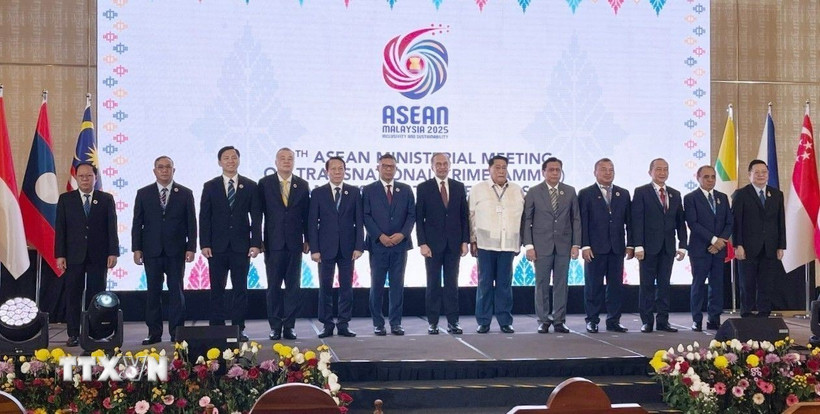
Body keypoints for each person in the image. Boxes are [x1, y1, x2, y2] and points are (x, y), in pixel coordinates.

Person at [199, 146, 261, 342]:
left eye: (234, 157)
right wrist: (204, 243)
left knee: (240, 289)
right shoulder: (210, 186)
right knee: (217, 289)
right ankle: (217, 328)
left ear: (239, 160)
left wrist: (256, 243)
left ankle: (238, 328)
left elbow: (256, 218)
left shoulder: (250, 186)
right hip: (216, 247)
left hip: (241, 247)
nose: (230, 161)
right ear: (220, 162)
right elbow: (204, 217)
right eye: (226, 158)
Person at [132, 156, 197, 345]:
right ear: (155, 171)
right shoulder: (143, 193)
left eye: (168, 167)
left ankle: (177, 332)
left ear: (173, 170)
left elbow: (191, 223)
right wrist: (137, 248)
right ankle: (154, 333)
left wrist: (191, 247)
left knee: (176, 292)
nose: (164, 170)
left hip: (176, 250)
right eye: (160, 167)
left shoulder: (185, 193)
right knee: (153, 293)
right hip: (151, 251)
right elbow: (137, 223)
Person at [55, 162, 118, 347]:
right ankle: (74, 333)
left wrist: (113, 252)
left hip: (98, 255)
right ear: (76, 177)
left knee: (96, 296)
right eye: (81, 176)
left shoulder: (106, 199)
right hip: (73, 255)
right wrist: (60, 254)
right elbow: (61, 229)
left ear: (95, 178)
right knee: (73, 295)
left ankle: (95, 332)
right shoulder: (66, 199)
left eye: (89, 176)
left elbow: (111, 228)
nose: (85, 179)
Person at [522, 157, 581, 334]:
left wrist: (576, 244)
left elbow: (575, 219)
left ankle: (559, 320)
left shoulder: (569, 191)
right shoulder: (534, 191)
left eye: (558, 170)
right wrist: (529, 245)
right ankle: (543, 320)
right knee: (541, 284)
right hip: (541, 245)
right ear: (544, 172)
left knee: (561, 284)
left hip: (564, 245)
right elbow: (527, 220)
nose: (555, 173)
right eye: (551, 170)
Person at [308, 156, 363, 338]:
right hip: (325, 249)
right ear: (327, 171)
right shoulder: (318, 193)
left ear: (345, 171)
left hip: (348, 248)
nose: (337, 172)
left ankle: (344, 323)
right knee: (325, 287)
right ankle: (327, 324)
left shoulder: (354, 192)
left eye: (341, 168)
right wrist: (314, 249)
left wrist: (359, 246)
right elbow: (312, 223)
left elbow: (359, 222)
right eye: (334, 169)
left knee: (346, 287)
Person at [469, 155, 525, 334]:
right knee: (484, 284)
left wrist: (520, 241)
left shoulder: (516, 190)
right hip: (485, 244)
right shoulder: (478, 189)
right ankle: (483, 321)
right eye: (497, 167)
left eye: (504, 167)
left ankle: (505, 321)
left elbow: (523, 218)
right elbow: (471, 216)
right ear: (489, 169)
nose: (501, 171)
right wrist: (472, 239)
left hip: (508, 244)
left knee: (504, 285)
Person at [258, 147, 310, 340]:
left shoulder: (302, 185)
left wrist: (308, 239)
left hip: (295, 244)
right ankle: (275, 326)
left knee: (293, 287)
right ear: (276, 162)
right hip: (273, 243)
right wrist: (257, 240)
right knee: (273, 287)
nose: (286, 161)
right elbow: (258, 214)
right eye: (283, 158)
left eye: (290, 158)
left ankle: (289, 326)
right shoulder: (265, 183)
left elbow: (307, 216)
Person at [415, 153, 469, 335]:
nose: (442, 167)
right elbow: (419, 218)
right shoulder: (424, 188)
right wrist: (422, 243)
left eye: (445, 163)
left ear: (450, 165)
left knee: (452, 285)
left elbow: (464, 216)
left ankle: (453, 322)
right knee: (433, 284)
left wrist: (464, 241)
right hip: (432, 246)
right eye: (438, 164)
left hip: (454, 244)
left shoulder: (459, 187)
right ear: (432, 167)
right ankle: (433, 322)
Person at [632, 158, 687, 333]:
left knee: (664, 285)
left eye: (665, 169)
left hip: (668, 247)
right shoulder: (641, 192)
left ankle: (663, 320)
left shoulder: (675, 194)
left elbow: (680, 222)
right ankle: (647, 321)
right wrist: (638, 245)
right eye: (658, 169)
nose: (662, 172)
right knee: (647, 285)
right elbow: (636, 220)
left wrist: (683, 245)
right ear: (650, 172)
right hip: (648, 248)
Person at [363, 153, 416, 336]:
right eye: (384, 166)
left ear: (396, 169)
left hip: (400, 245)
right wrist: (380, 236)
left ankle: (396, 323)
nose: (388, 169)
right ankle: (378, 323)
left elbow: (411, 215)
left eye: (391, 166)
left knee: (397, 286)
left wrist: (402, 234)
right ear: (378, 168)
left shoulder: (406, 189)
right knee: (376, 286)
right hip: (378, 245)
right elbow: (366, 216)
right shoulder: (369, 190)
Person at [578, 158, 632, 334]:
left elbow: (630, 222)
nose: (608, 173)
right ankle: (592, 320)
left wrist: (631, 245)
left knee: (615, 287)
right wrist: (585, 245)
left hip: (617, 248)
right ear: (595, 172)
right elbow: (583, 222)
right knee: (593, 286)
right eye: (603, 169)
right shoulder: (586, 193)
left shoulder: (623, 194)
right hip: (595, 248)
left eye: (611, 170)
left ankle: (613, 320)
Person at [732, 159, 785, 318]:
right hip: (747, 247)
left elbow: (780, 222)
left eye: (764, 172)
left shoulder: (777, 194)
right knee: (747, 283)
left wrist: (781, 245)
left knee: (767, 283)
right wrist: (738, 244)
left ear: (768, 174)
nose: (761, 175)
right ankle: (746, 312)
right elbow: (736, 222)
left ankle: (764, 313)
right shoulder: (741, 194)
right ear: (750, 175)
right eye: (757, 172)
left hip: (770, 246)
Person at [684, 165, 732, 331]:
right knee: (698, 284)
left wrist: (720, 242)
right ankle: (696, 319)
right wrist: (713, 240)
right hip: (699, 249)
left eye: (713, 177)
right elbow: (693, 223)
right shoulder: (690, 198)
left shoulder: (722, 197)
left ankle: (714, 318)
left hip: (719, 249)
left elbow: (729, 222)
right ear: (698, 178)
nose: (710, 180)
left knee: (717, 285)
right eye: (706, 177)